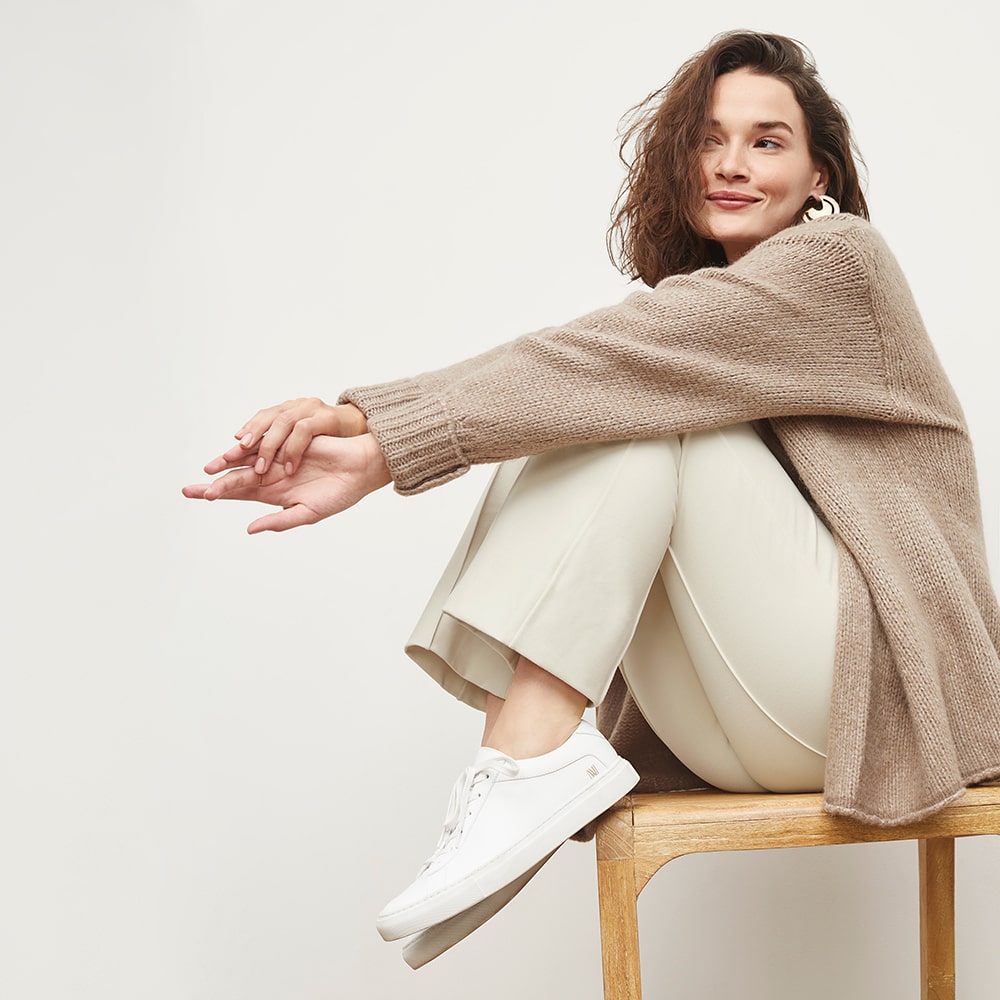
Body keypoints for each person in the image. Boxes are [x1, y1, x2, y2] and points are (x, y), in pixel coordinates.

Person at [183, 30, 1000, 967]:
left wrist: (376, 438)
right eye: (707, 138)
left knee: (627, 400)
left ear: (821, 174)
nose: (732, 164)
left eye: (768, 142)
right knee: (606, 399)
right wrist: (379, 439)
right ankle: (521, 766)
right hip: (739, 726)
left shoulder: (841, 263)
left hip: (879, 702)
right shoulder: (708, 301)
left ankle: (527, 755)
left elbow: (608, 359)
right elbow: (605, 365)